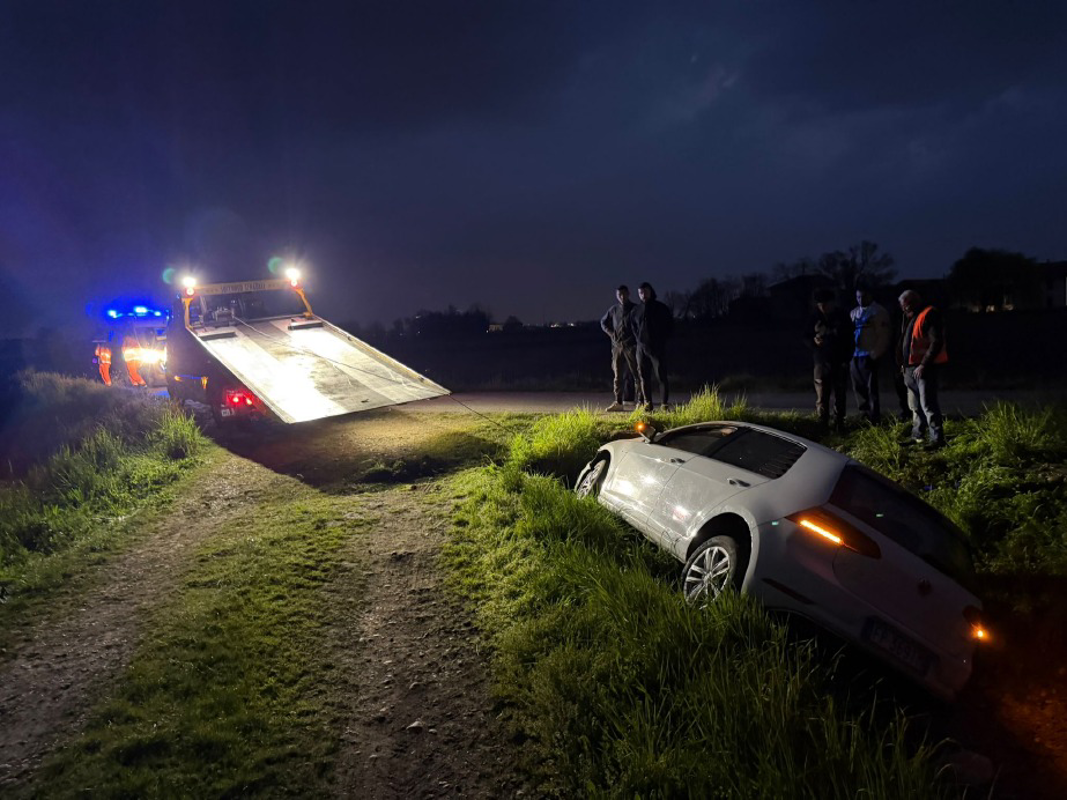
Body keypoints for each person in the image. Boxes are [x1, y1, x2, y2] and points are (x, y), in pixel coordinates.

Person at [898, 289, 948, 448]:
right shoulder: (912, 318)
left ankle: (937, 440)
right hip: (910, 369)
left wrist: (924, 364)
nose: (903, 309)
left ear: (912, 302)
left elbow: (936, 342)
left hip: (923, 369)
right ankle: (917, 436)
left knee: (928, 405)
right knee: (915, 406)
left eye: (905, 305)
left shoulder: (928, 314)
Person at [807, 288, 852, 432]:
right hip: (821, 361)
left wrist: (846, 359)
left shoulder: (842, 316)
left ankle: (839, 423)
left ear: (832, 303)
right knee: (822, 395)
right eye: (820, 305)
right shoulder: (814, 317)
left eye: (825, 304)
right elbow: (805, 336)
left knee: (840, 394)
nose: (823, 307)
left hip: (839, 360)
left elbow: (850, 339)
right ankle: (823, 424)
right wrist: (814, 342)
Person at [849, 286, 891, 423]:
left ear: (870, 296)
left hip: (869, 354)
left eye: (863, 296)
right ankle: (864, 413)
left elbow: (883, 336)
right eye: (858, 297)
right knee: (858, 386)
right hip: (855, 355)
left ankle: (874, 416)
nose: (861, 300)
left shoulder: (878, 312)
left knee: (871, 387)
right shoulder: (854, 313)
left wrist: (875, 354)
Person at [631, 281, 673, 411]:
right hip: (641, 348)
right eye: (640, 293)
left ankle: (664, 404)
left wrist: (661, 341)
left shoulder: (661, 308)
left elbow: (669, 326)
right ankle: (648, 403)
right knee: (644, 376)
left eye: (645, 292)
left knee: (661, 376)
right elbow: (633, 327)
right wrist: (639, 340)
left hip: (657, 348)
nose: (643, 295)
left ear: (651, 292)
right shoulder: (636, 310)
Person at [600, 284, 639, 411]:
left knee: (636, 374)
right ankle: (618, 402)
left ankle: (641, 401)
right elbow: (603, 322)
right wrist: (611, 333)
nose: (622, 297)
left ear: (628, 294)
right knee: (617, 375)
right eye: (619, 295)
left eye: (624, 294)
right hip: (617, 347)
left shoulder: (635, 309)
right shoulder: (614, 309)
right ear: (616, 295)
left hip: (631, 346)